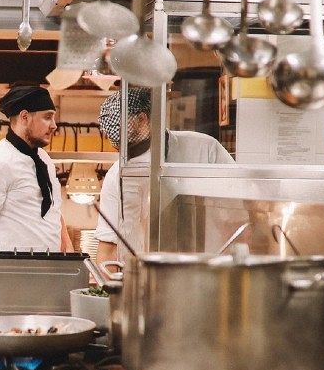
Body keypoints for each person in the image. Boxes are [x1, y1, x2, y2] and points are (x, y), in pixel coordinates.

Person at [93, 86, 234, 262]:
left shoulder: (204, 149)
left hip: (207, 272)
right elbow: (108, 250)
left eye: (120, 132)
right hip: (143, 278)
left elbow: (237, 214)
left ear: (143, 119)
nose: (116, 142)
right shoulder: (117, 174)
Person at [0, 84, 67, 251]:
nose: (54, 125)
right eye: (48, 117)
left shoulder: (43, 159)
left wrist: (68, 255)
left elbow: (54, 212)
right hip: (9, 271)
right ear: (24, 117)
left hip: (48, 269)